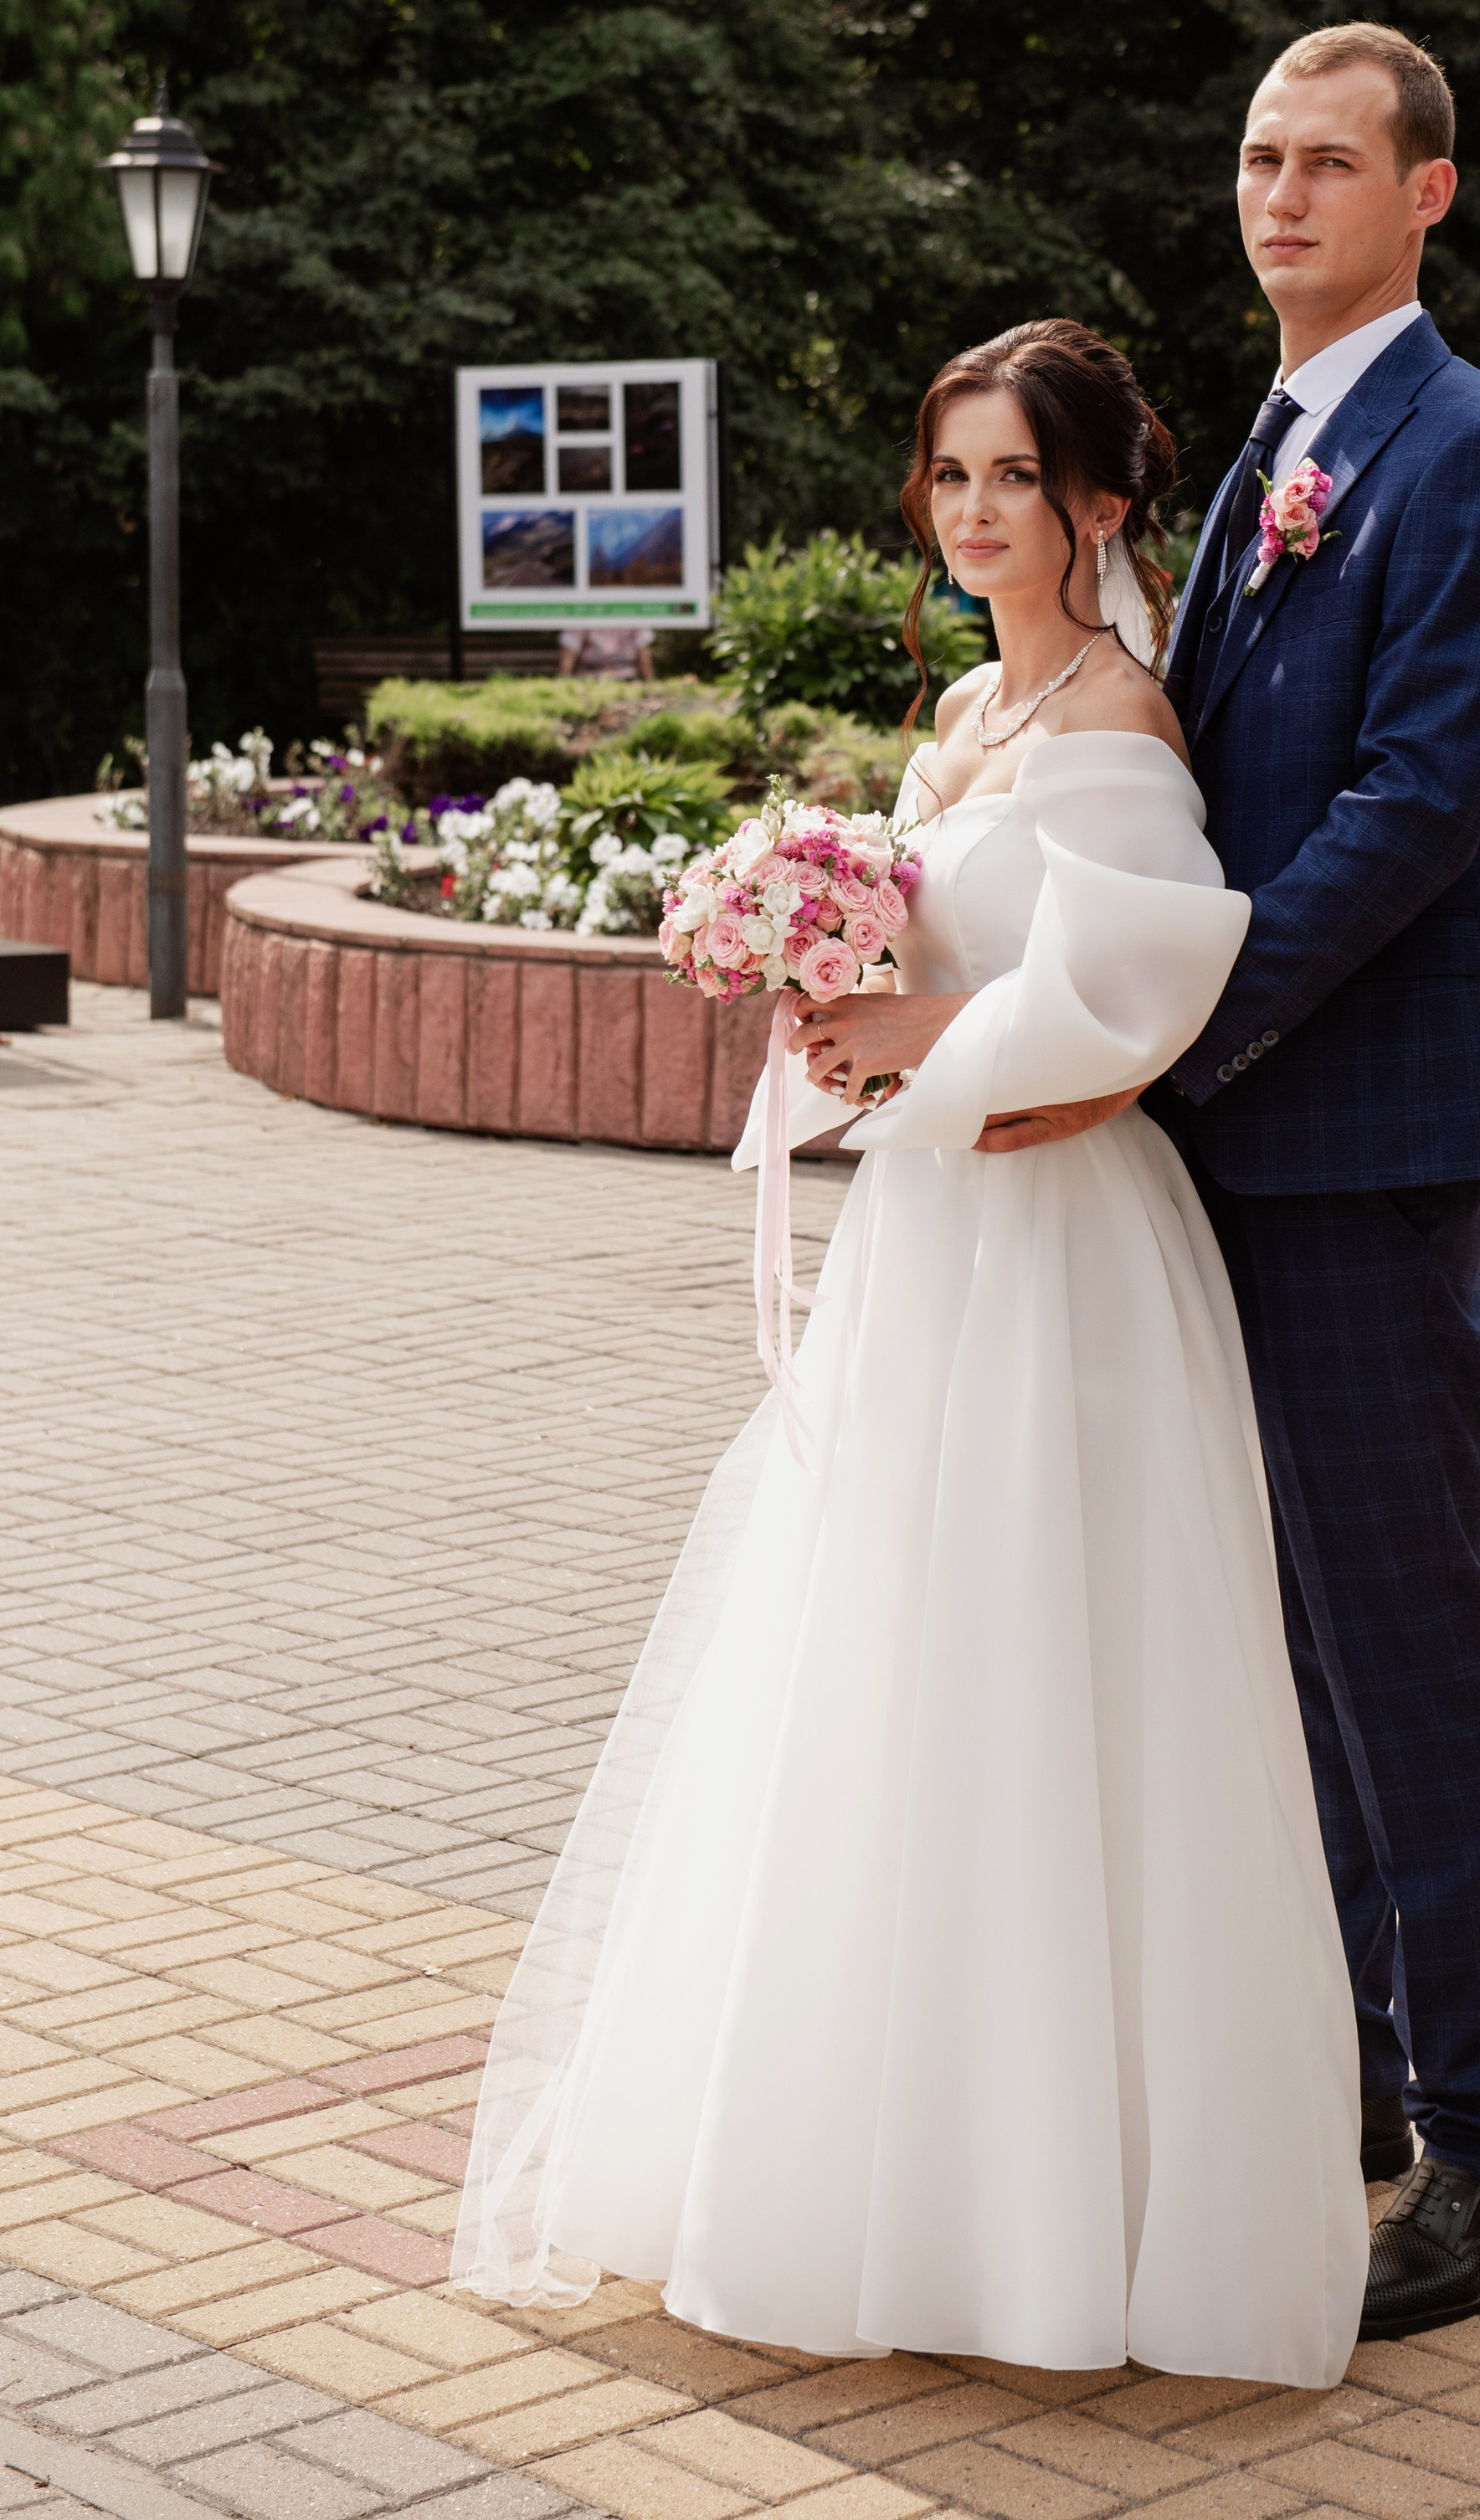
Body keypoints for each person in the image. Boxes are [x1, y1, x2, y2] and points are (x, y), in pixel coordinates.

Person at [453, 321, 1369, 2386]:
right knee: (889, 1672)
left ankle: (1055, 2216)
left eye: (1013, 480)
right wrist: (828, 1002)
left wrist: (921, 1046)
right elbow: (942, 950)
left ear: (1099, 503)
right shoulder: (965, 697)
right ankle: (876, 2159)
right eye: (948, 475)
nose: (973, 513)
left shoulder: (1119, 718)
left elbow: (1130, 993)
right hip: (933, 1240)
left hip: (1059, 1252)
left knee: (1050, 1679)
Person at [1000, 23, 1480, 2342]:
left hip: (1354, 1137)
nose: (1281, 193)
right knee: (1286, 1639)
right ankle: (1339, 2063)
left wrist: (1189, 1021)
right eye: (1257, 155)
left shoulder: (1476, 452)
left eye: (1331, 160)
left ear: (1427, 194)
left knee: (1408, 1635)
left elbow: (1421, 802)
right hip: (1229, 1131)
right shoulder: (1260, 451)